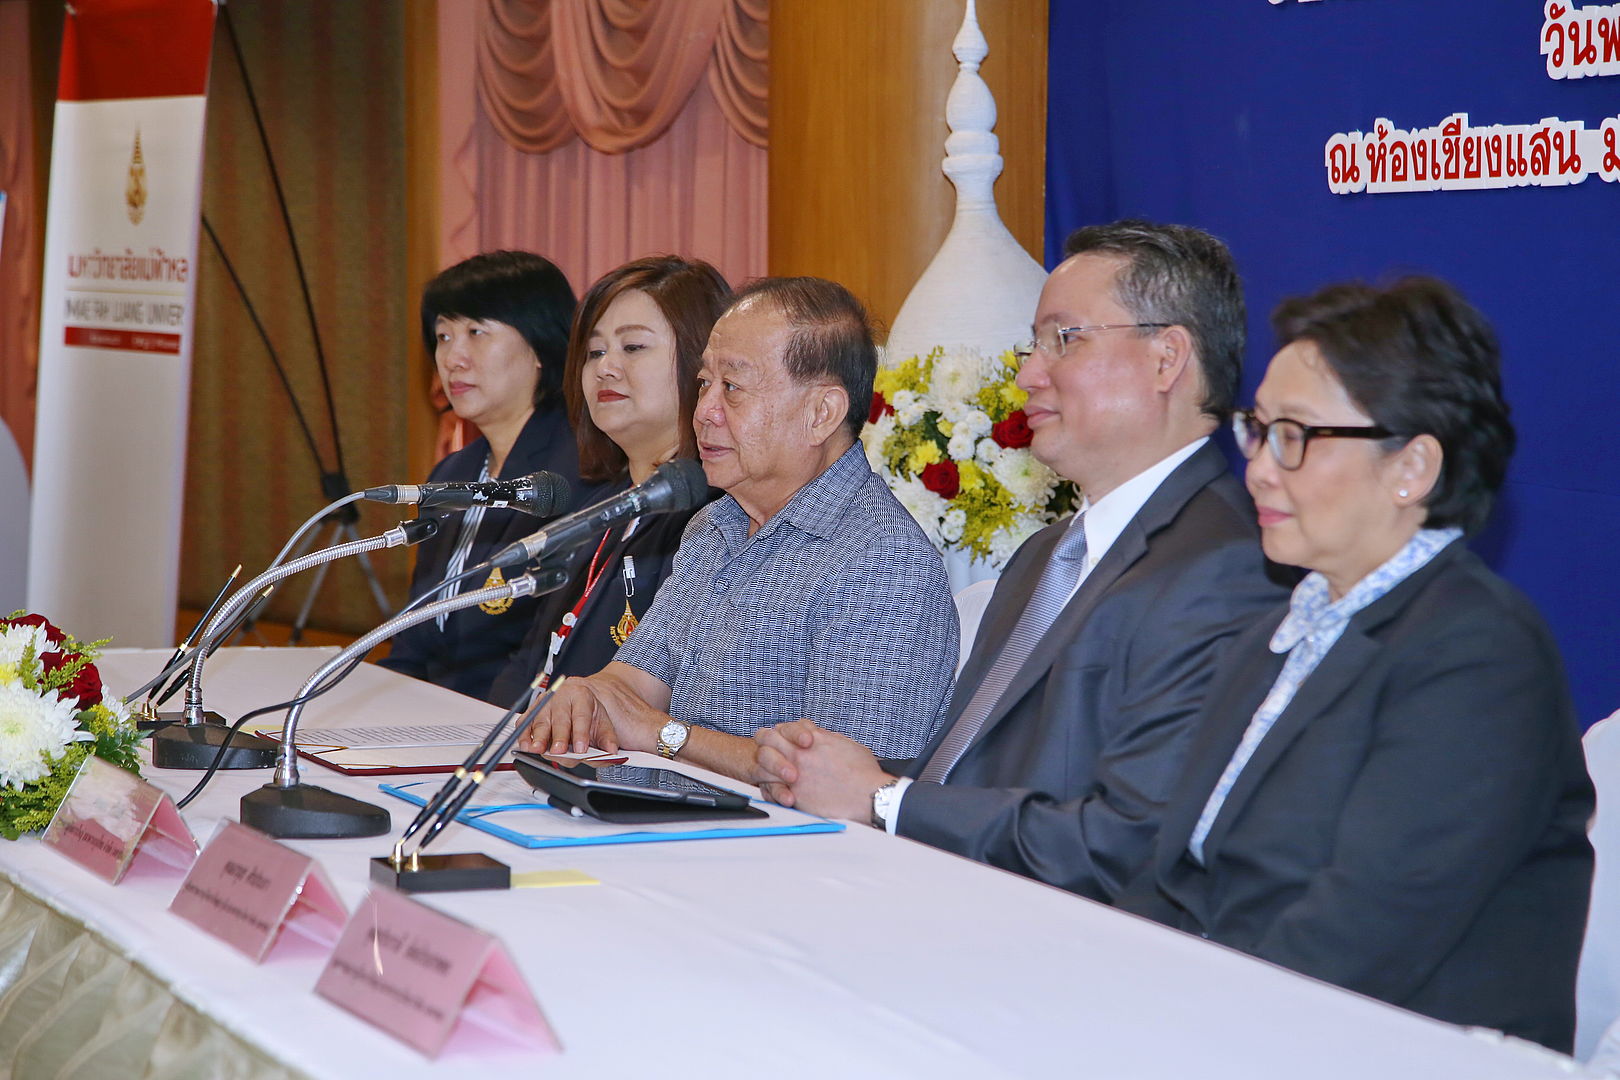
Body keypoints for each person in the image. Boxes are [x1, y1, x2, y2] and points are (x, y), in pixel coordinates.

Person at [1114, 277, 1593, 1052]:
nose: (1259, 468)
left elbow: (1363, 935)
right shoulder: (1276, 634)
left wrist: (1167, 1035)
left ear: (1412, 468)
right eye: (1257, 430)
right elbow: (1174, 876)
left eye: (1295, 435)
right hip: (1235, 1024)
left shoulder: (1479, 654)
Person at [753, 220, 1289, 902]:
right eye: (1033, 344)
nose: (1028, 373)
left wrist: (885, 800)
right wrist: (829, 773)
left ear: (1167, 359)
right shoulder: (1046, 553)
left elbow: (1129, 843)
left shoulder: (1224, 566)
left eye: (1064, 339)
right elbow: (971, 769)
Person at [517, 277, 958, 780]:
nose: (704, 412)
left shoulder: (885, 563)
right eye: (704, 383)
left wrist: (664, 735)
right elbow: (635, 682)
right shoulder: (714, 524)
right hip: (661, 815)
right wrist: (587, 695)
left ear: (821, 414)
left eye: (732, 387)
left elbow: (840, 784)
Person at [487, 255, 730, 709]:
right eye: (595, 352)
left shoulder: (719, 520)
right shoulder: (596, 507)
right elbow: (530, 662)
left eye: (632, 347)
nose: (605, 368)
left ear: (703, 364)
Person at [380, 250, 585, 702]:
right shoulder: (451, 473)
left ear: (540, 345)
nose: (453, 358)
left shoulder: (573, 473)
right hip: (429, 716)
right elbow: (414, 641)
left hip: (509, 719)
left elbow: (541, 650)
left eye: (476, 332)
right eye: (443, 336)